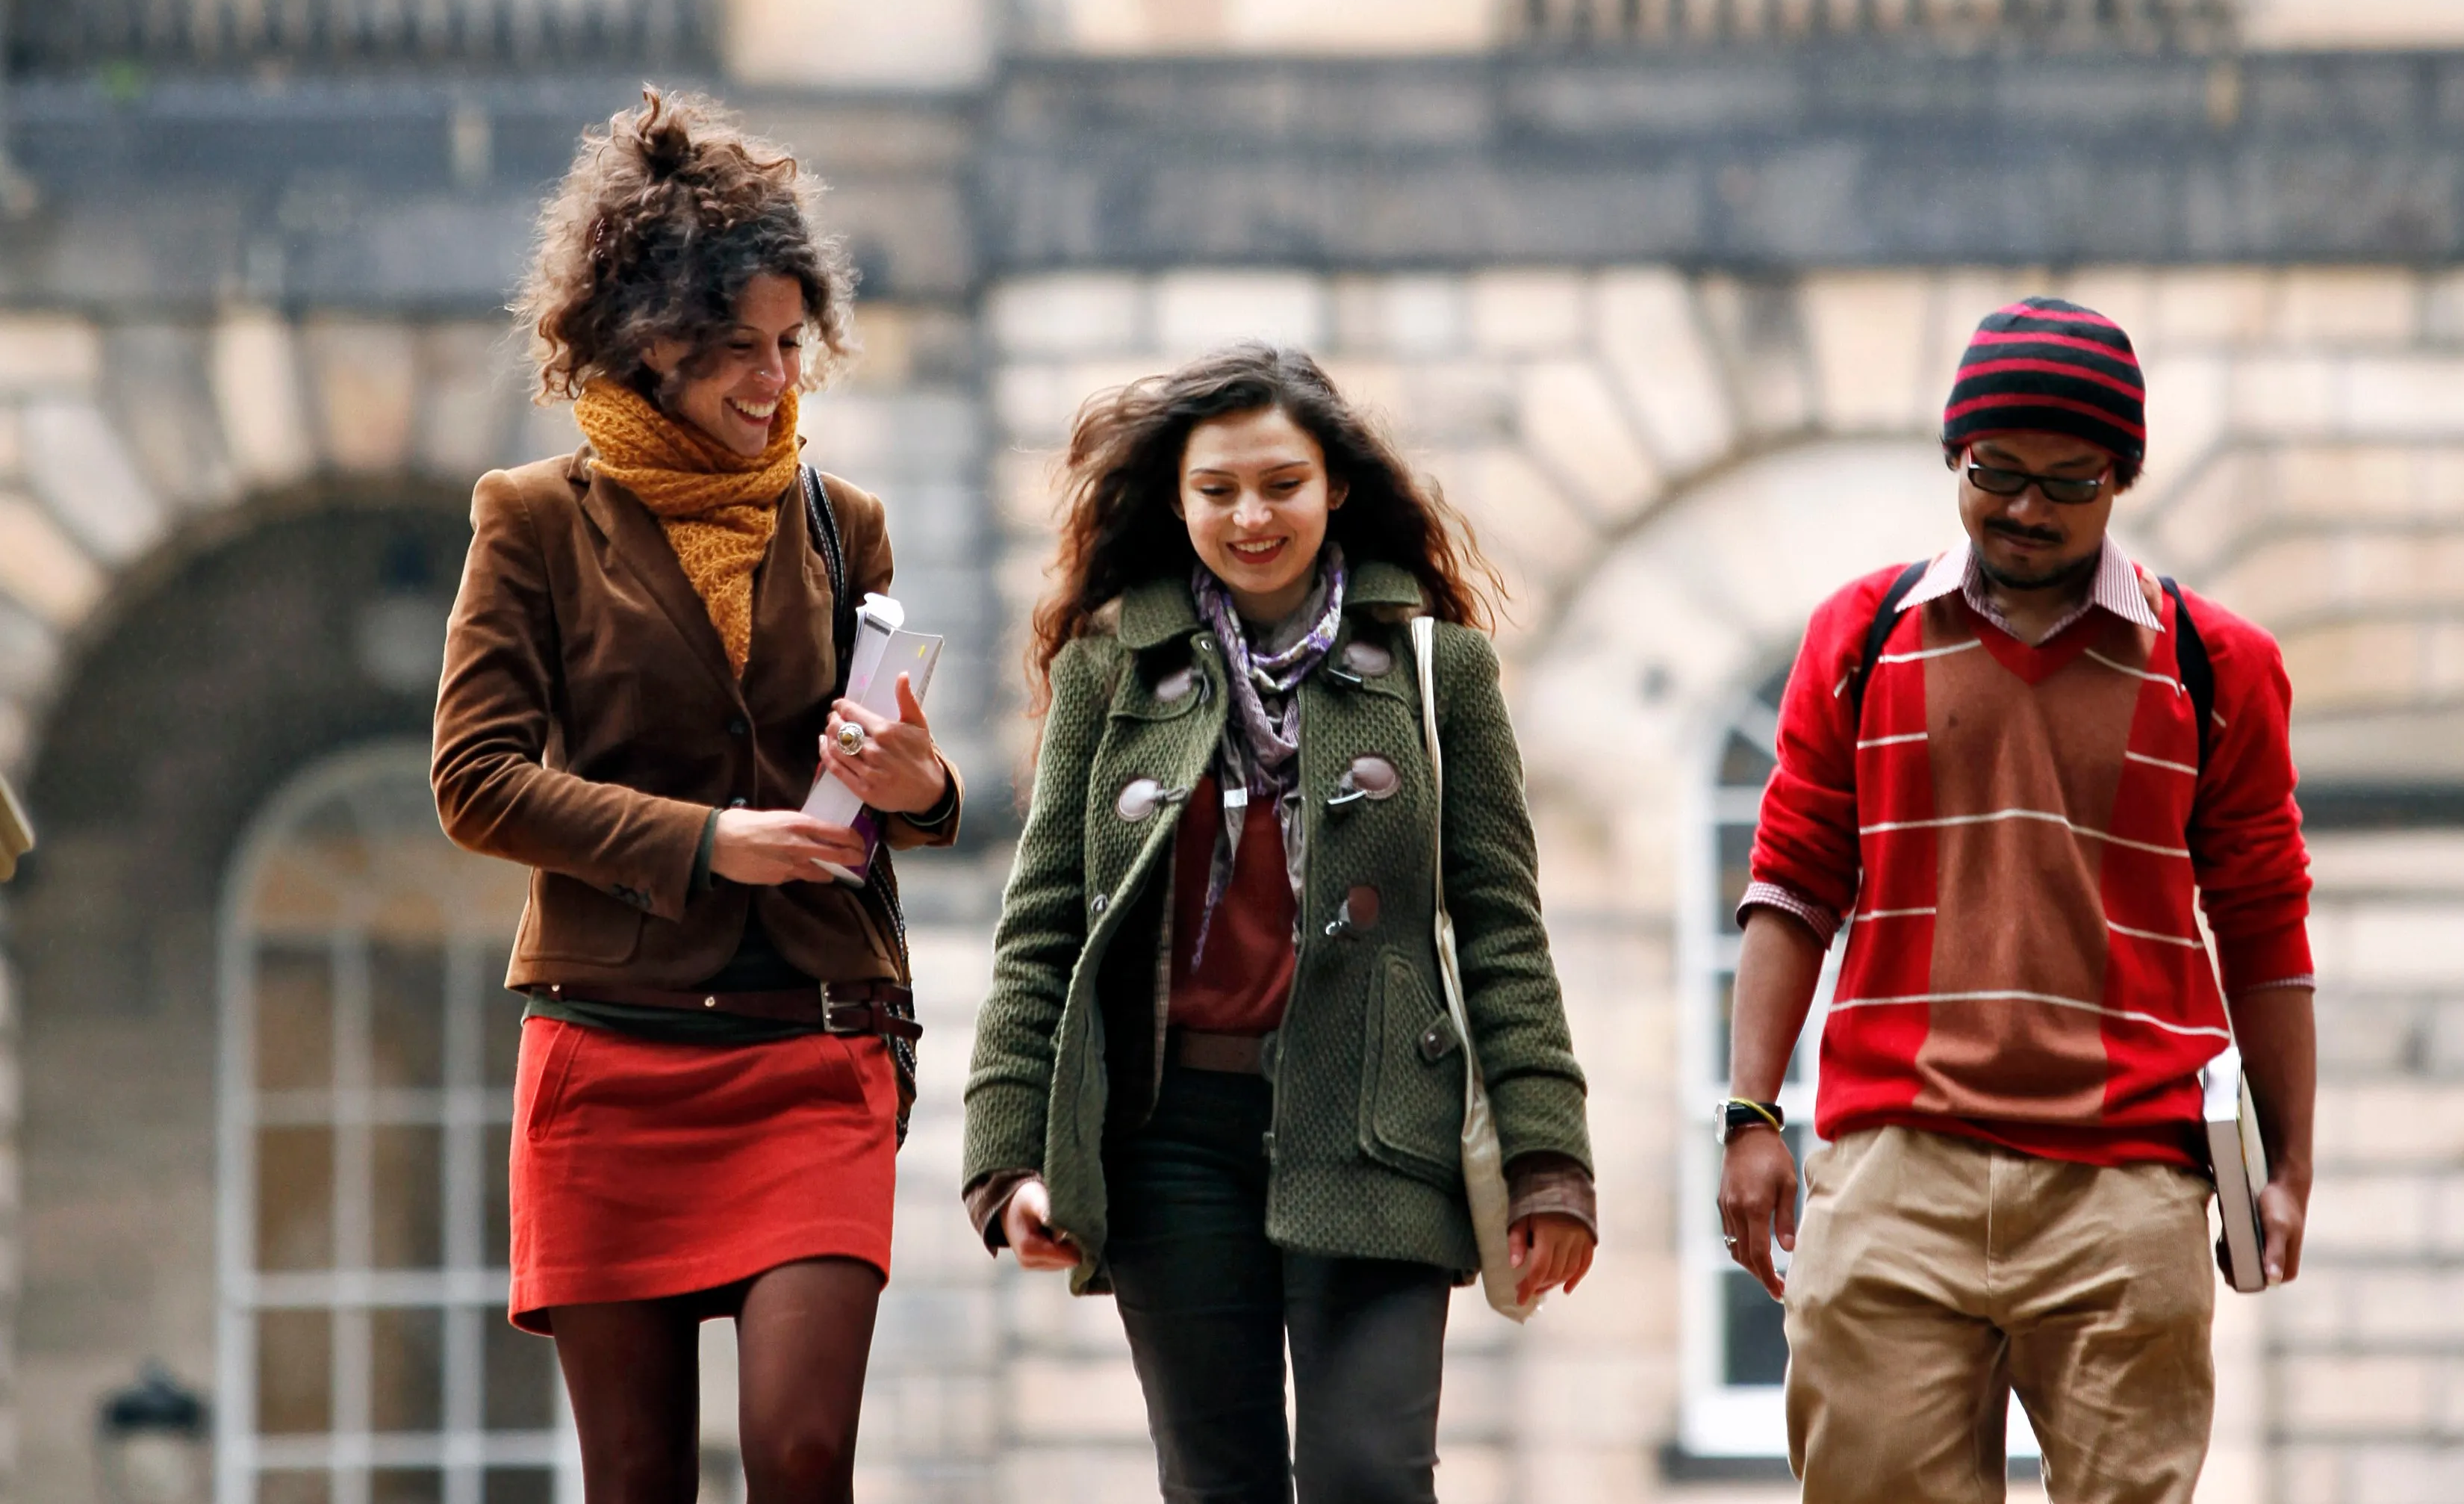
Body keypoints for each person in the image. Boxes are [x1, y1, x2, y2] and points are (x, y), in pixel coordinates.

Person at [431, 88, 961, 1502]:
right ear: (644, 342)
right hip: (611, 1052)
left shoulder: (842, 525)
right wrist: (709, 843)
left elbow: (887, 781)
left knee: (800, 1450)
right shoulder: (534, 517)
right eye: (736, 349)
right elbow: (475, 781)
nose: (774, 381)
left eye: (791, 345)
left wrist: (920, 786)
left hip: (814, 1036)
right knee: (638, 1476)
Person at [962, 344, 1596, 1503]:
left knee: (1369, 1474)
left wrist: (1549, 1161)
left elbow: (1503, 927)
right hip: (1169, 1144)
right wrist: (1008, 1161)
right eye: (1217, 491)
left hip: (1377, 1125)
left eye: (1281, 484)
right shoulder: (1111, 668)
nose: (1251, 515)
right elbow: (1044, 928)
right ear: (1176, 499)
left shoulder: (1438, 671)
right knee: (1218, 1483)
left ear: (1335, 485)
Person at [1717, 298, 2317, 1504]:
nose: (2025, 507)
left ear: (2119, 480)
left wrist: (2291, 1160)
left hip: (2127, 1182)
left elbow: (2263, 926)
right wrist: (1745, 1112)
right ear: (1955, 458)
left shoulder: (2215, 665)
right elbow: (1788, 887)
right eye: (1995, 472)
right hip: (1891, 1165)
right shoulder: (1860, 636)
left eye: (2067, 479)